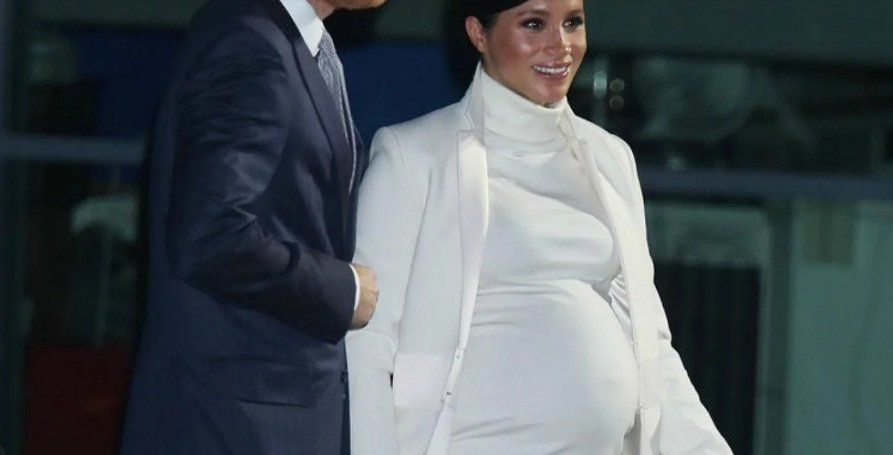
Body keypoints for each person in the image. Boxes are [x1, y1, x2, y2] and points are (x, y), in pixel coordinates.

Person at [345, 0, 733, 453]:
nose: (561, 44)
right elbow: (367, 343)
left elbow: (653, 347)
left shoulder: (610, 157)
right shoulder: (414, 155)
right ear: (479, 34)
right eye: (534, 23)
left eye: (573, 22)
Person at [121, 0, 386, 453]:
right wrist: (345, 290)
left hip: (265, 413)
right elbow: (212, 236)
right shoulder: (249, 40)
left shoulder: (288, 39)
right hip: (233, 421)